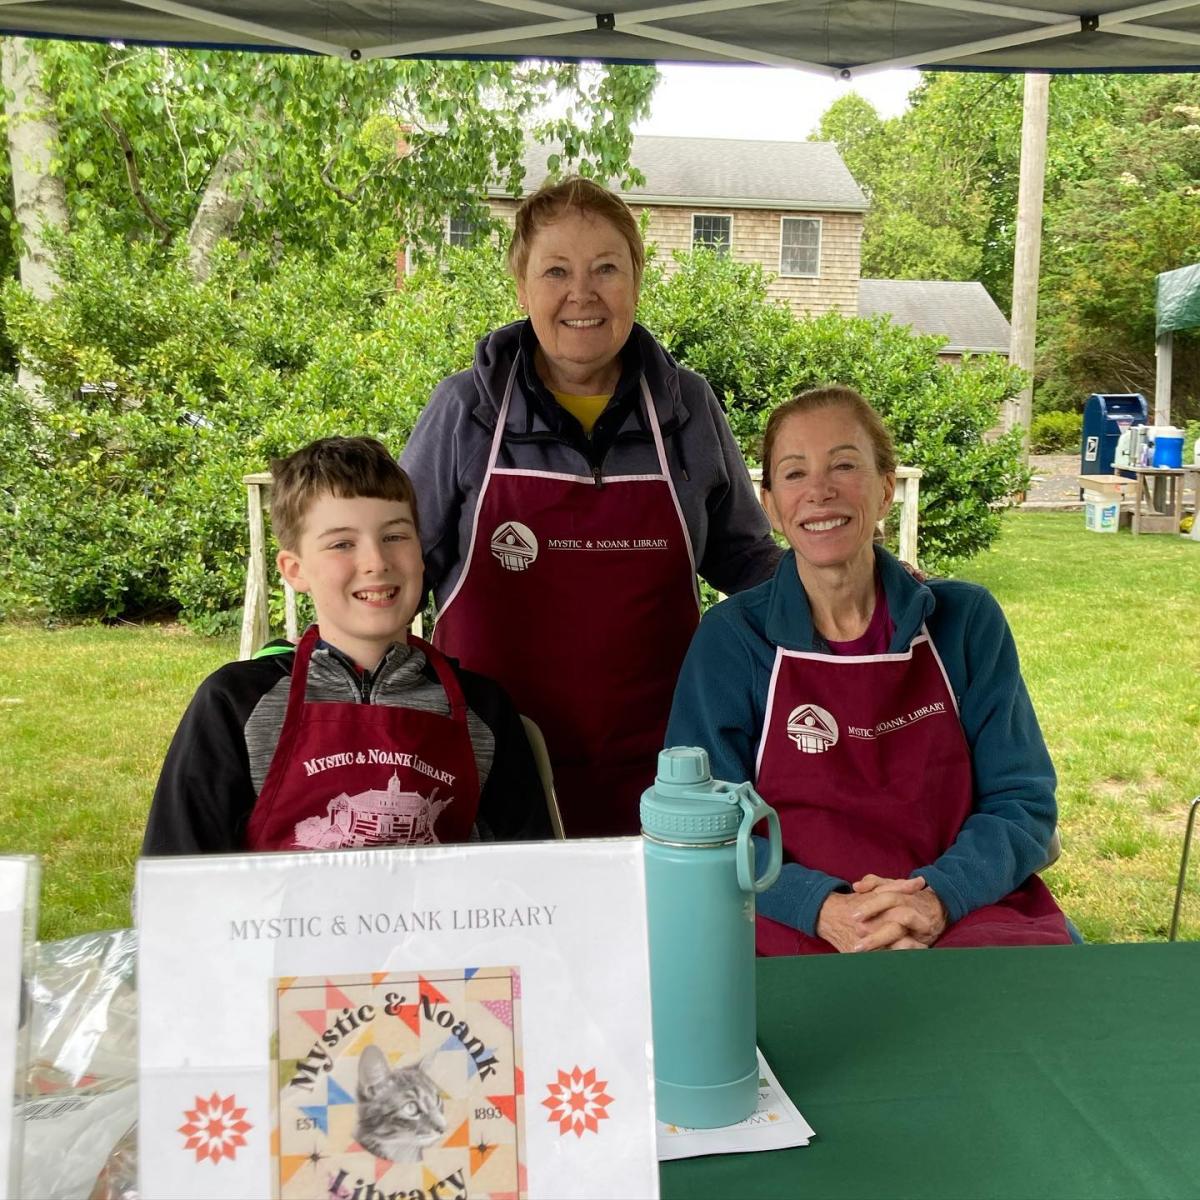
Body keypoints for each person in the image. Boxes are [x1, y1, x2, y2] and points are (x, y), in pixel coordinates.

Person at [400, 176, 780, 837]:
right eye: (557, 271)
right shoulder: (466, 410)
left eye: (607, 268)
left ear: (636, 280)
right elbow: (396, 572)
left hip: (668, 769)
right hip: (495, 767)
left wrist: (853, 585)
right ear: (522, 288)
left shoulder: (686, 407)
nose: (583, 293)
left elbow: (745, 559)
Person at [666, 386, 1072, 951]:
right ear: (771, 504)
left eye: (844, 465)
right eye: (794, 473)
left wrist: (934, 899)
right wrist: (828, 911)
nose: (820, 491)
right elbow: (704, 827)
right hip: (789, 914)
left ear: (885, 489)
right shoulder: (733, 640)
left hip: (963, 909)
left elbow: (1022, 801)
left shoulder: (965, 622)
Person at [143, 436, 549, 854]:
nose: (376, 561)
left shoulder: (484, 709)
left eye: (395, 536)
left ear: (421, 553)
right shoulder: (235, 703)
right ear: (295, 570)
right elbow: (177, 883)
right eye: (342, 544)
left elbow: (528, 881)